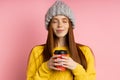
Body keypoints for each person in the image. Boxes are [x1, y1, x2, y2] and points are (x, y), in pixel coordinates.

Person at [26, 0, 96, 80]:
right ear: (50, 26)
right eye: (55, 21)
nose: (60, 25)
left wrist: (76, 67)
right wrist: (46, 67)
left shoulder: (85, 51)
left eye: (64, 21)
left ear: (70, 25)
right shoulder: (37, 52)